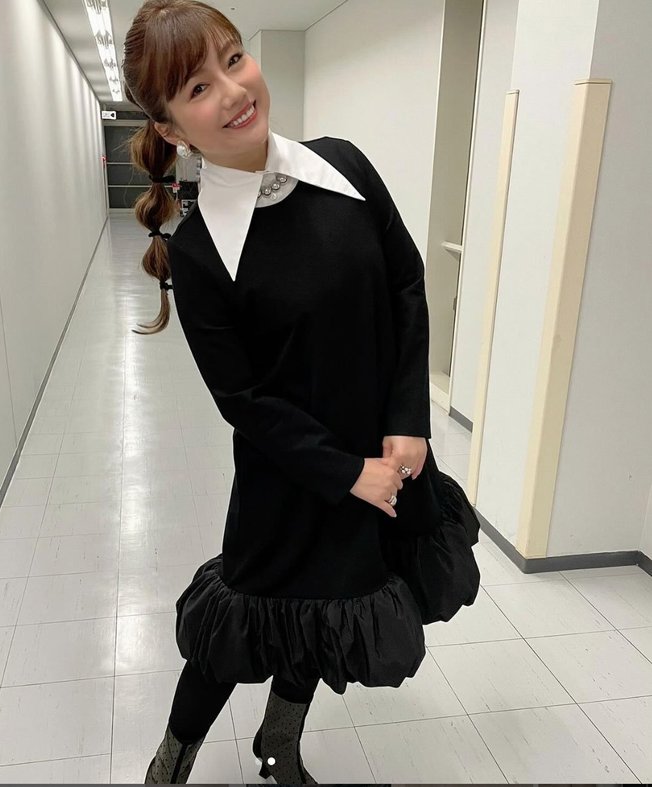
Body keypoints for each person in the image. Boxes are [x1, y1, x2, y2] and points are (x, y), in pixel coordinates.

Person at [121, 1, 481, 783]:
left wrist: (408, 420)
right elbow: (244, 399)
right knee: (235, 631)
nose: (232, 90)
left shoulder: (343, 166)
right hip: (292, 481)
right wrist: (348, 473)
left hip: (385, 461)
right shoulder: (200, 252)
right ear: (174, 129)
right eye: (197, 87)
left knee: (327, 616)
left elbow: (406, 281)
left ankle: (277, 744)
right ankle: (170, 762)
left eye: (232, 59)